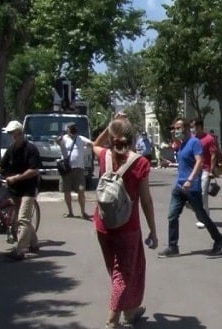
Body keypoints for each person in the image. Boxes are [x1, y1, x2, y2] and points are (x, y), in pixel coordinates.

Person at [91, 115, 158, 329]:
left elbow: (95, 145)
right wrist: (153, 230)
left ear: (112, 138)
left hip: (103, 223)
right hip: (128, 227)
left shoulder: (104, 156)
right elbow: (146, 201)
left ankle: (130, 310)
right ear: (132, 137)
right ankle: (112, 321)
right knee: (125, 273)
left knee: (116, 270)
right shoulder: (140, 162)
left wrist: (110, 125)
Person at [158, 117, 222, 258]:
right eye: (175, 128)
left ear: (185, 128)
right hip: (179, 186)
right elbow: (185, 163)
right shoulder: (182, 144)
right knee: (172, 216)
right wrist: (170, 164)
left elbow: (199, 162)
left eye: (178, 128)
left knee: (201, 216)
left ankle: (219, 240)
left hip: (192, 187)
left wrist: (190, 179)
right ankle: (173, 247)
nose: (176, 131)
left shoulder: (194, 142)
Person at [0, 120, 41, 261]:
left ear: (21, 133)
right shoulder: (11, 149)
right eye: (11, 134)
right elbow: (0, 166)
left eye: (15, 134)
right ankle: (34, 244)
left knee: (22, 219)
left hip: (28, 190)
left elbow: (34, 170)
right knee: (22, 218)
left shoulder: (31, 149)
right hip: (15, 189)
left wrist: (17, 178)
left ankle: (20, 250)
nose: (12, 137)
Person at [56, 123, 93, 219]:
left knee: (81, 190)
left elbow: (92, 144)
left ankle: (83, 212)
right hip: (66, 168)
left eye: (74, 129)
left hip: (79, 168)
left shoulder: (81, 138)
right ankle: (70, 212)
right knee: (66, 191)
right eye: (71, 129)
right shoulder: (63, 138)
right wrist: (58, 141)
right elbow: (58, 143)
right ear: (67, 130)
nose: (73, 131)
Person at [190, 119, 219, 229]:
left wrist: (211, 170)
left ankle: (204, 218)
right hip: (193, 170)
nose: (193, 129)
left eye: (195, 127)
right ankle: (202, 215)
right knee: (194, 194)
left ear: (200, 127)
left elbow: (213, 155)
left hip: (205, 170)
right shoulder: (192, 139)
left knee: (203, 194)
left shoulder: (209, 139)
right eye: (192, 127)